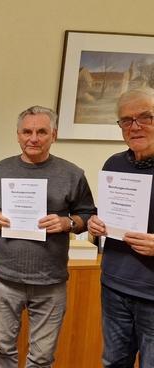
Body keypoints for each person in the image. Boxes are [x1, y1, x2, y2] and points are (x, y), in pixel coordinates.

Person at [0, 105, 96, 368]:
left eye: (41, 132)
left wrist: (67, 222)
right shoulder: (0, 169)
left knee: (42, 357)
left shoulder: (72, 174)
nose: (33, 138)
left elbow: (88, 215)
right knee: (2, 349)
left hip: (50, 281)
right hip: (6, 278)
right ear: (18, 135)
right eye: (27, 131)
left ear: (53, 135)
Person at [88, 88, 154, 368]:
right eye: (126, 120)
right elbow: (108, 218)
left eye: (145, 117)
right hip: (114, 286)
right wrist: (95, 223)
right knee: (113, 362)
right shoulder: (114, 164)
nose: (135, 126)